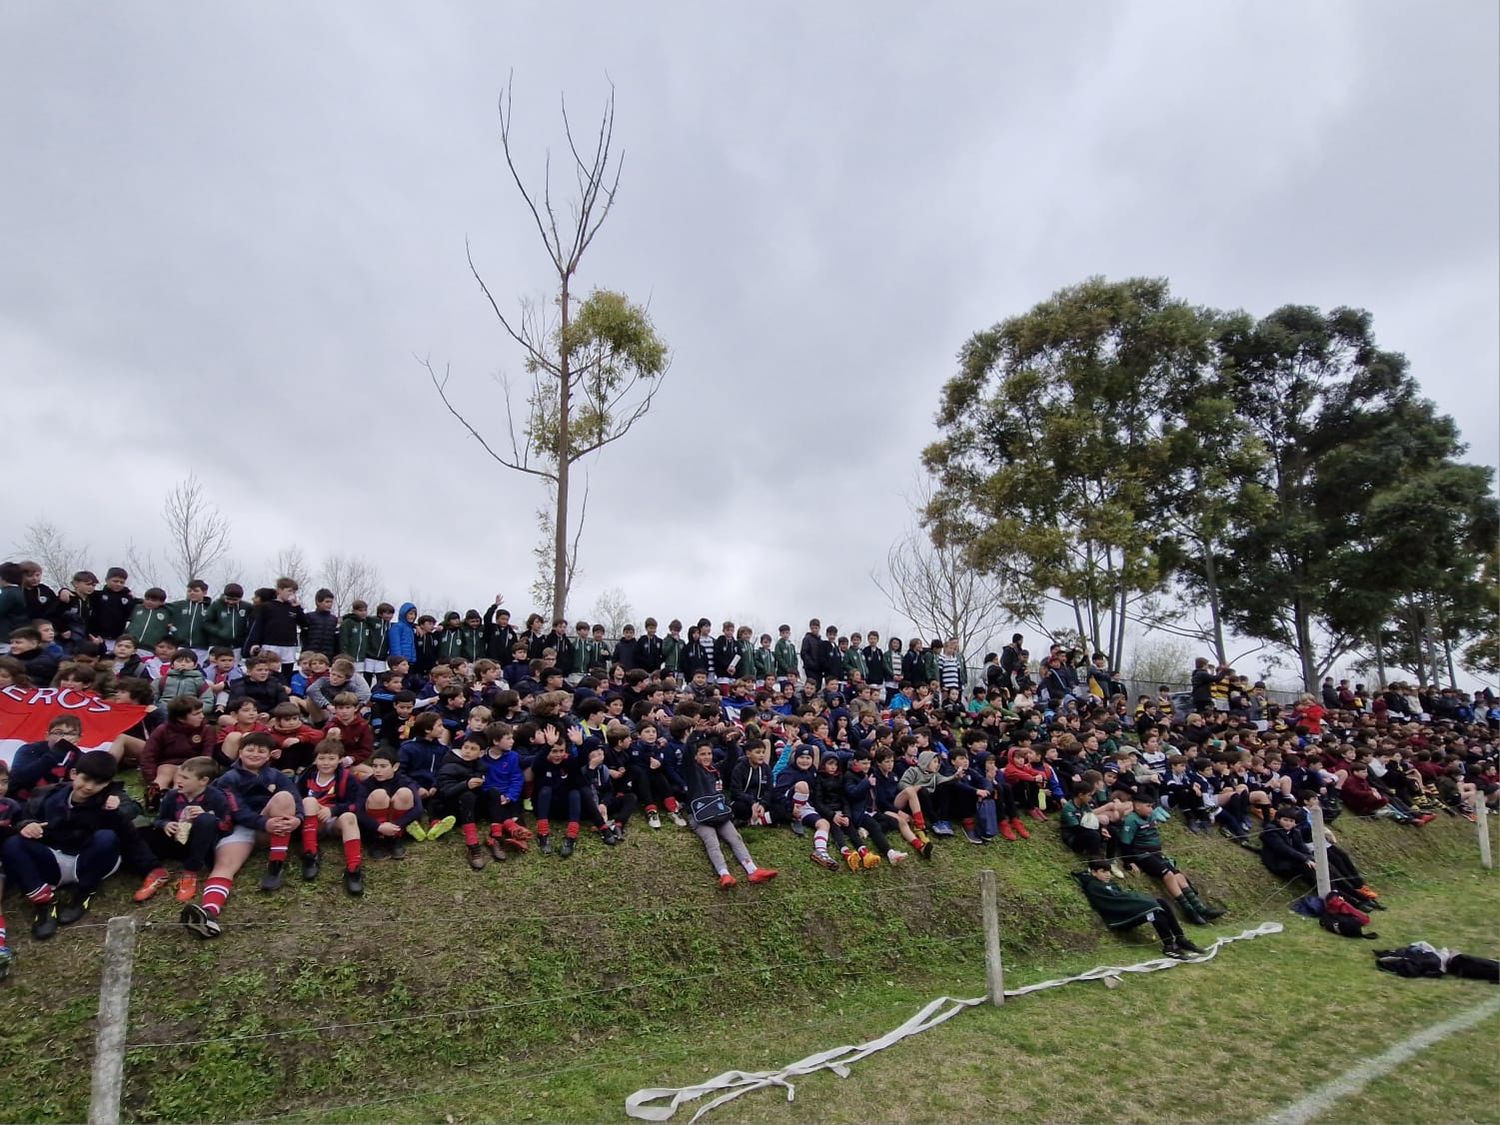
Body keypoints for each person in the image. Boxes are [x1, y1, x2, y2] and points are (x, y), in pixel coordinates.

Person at [179, 732, 303, 939]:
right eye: (250, 749)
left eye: (261, 751)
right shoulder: (228, 778)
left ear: (269, 755)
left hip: (269, 825)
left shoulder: (277, 775)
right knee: (225, 866)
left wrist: (298, 818)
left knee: (284, 797)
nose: (255, 754)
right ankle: (209, 913)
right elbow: (237, 810)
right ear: (240, 752)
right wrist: (264, 823)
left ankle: (276, 865)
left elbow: (297, 799)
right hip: (239, 826)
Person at [3, 751, 130, 938]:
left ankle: (85, 892)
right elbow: (24, 818)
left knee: (106, 837)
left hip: (88, 859)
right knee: (13, 843)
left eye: (98, 783)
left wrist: (116, 808)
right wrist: (27, 826)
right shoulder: (48, 794)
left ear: (107, 784)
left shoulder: (113, 797)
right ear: (73, 774)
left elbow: (130, 816)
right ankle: (43, 901)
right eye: (85, 779)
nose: (89, 787)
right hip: (54, 858)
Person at [134, 756, 233, 905]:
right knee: (139, 833)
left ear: (203, 781)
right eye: (179, 775)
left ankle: (190, 872)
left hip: (200, 846)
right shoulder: (173, 796)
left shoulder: (216, 797)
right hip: (176, 840)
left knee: (206, 820)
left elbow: (227, 826)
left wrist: (206, 815)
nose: (179, 781)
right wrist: (166, 824)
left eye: (185, 778)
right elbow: (159, 819)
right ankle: (156, 872)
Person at [1116, 791, 1224, 925]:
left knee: (1179, 876)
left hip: (1157, 853)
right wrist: (1129, 862)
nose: (1151, 809)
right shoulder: (1131, 820)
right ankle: (1189, 911)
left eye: (1152, 806)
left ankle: (1201, 909)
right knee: (1168, 875)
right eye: (1148, 806)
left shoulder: (1151, 816)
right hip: (1143, 855)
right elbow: (1125, 843)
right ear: (1137, 806)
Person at [681, 740, 777, 887]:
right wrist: (696, 734)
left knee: (735, 838)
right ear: (695, 757)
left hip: (719, 812)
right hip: (700, 815)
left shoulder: (715, 770)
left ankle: (753, 870)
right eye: (702, 754)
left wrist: (731, 741)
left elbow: (731, 759)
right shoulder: (693, 771)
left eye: (709, 753)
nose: (707, 757)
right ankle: (724, 874)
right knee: (712, 841)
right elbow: (687, 754)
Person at [1073, 859, 1208, 959]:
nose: (1108, 874)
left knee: (1161, 902)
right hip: (1120, 918)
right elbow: (1112, 903)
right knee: (1154, 910)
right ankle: (1169, 946)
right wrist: (1139, 903)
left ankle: (1180, 938)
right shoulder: (1094, 887)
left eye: (1108, 871)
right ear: (1094, 872)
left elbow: (1123, 896)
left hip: (1128, 910)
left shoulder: (1110, 883)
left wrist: (1138, 900)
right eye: (1103, 871)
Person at [297, 743, 364, 894]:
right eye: (321, 758)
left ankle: (354, 868)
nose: (326, 763)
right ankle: (310, 853)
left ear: (340, 760)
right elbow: (296, 798)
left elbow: (356, 804)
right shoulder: (307, 775)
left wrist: (333, 810)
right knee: (308, 801)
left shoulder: (348, 778)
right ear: (315, 760)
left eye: (331, 758)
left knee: (349, 817)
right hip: (313, 820)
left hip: (335, 820)